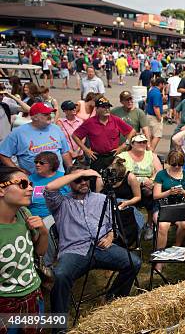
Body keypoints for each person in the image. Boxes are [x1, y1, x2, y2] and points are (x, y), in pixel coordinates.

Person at [45, 168, 142, 314]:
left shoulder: (102, 199)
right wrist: (78, 173)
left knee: (134, 263)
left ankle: (112, 298)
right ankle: (59, 327)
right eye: (78, 180)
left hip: (102, 248)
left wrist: (110, 237)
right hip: (74, 250)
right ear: (69, 182)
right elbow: (49, 188)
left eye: (86, 179)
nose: (83, 182)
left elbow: (112, 226)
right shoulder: (61, 203)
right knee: (60, 276)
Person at [0, 166, 48, 319]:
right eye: (22, 184)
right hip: (5, 304)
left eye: (30, 185)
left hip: (33, 293)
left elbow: (39, 253)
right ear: (1, 190)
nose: (30, 189)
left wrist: (43, 231)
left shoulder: (24, 214)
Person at [0, 102, 72, 174]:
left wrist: (70, 170)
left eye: (50, 114)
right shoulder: (18, 133)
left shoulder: (56, 129)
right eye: (45, 114)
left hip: (58, 178)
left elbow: (65, 152)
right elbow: (3, 154)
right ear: (34, 117)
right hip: (33, 180)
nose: (49, 116)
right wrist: (18, 171)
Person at [152, 150, 185, 271]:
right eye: (174, 164)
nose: (176, 167)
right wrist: (169, 192)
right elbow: (156, 195)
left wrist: (184, 192)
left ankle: (176, 247)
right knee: (163, 226)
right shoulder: (161, 174)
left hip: (180, 205)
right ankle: (160, 259)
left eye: (179, 165)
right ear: (169, 162)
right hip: (163, 205)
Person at [72, 96, 135, 172]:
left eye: (108, 107)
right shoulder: (90, 122)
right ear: (97, 109)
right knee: (96, 180)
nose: (107, 109)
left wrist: (124, 145)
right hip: (97, 157)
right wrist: (86, 150)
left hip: (114, 156)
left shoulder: (115, 119)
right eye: (104, 107)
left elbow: (132, 131)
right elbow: (75, 135)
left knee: (114, 180)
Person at [118, 133, 162, 241]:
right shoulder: (123, 156)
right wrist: (141, 181)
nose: (142, 144)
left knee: (150, 193)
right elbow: (119, 173)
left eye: (144, 142)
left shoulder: (151, 155)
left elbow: (160, 171)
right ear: (132, 144)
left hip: (148, 186)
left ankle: (150, 224)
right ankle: (130, 225)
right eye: (139, 142)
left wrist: (151, 180)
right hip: (128, 185)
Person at [145, 78, 166, 152]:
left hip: (149, 115)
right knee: (157, 135)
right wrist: (159, 118)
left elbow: (147, 102)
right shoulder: (157, 93)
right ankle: (151, 151)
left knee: (150, 136)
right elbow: (156, 107)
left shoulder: (151, 90)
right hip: (154, 117)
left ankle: (148, 150)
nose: (164, 86)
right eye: (164, 84)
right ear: (161, 84)